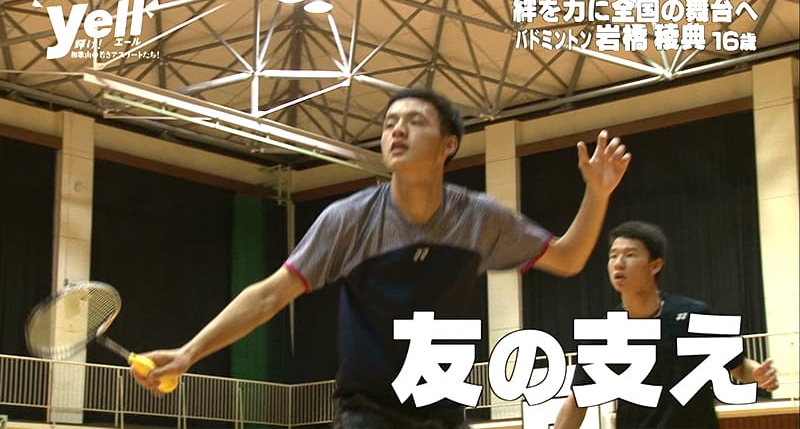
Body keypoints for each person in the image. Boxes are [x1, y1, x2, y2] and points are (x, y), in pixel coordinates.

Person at [132, 88, 632, 428]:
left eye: (415, 122)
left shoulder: (480, 218)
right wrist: (189, 352)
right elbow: (269, 295)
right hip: (367, 413)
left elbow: (568, 259)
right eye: (390, 123)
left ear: (448, 145)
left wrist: (597, 194)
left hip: (443, 410)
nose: (397, 131)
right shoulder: (348, 220)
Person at [555, 220, 780, 429]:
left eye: (630, 255)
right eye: (613, 256)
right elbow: (577, 400)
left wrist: (759, 375)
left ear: (655, 265)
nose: (618, 263)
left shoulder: (696, 314)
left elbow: (739, 368)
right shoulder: (605, 332)